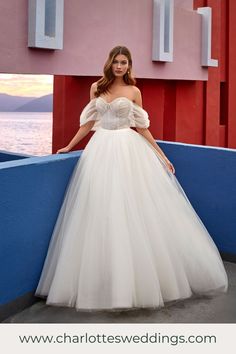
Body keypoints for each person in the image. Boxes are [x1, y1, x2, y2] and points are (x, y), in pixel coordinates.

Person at [35, 46, 228, 311]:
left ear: (129, 65)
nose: (119, 66)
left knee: (132, 210)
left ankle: (133, 284)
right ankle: (103, 280)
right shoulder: (96, 88)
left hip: (129, 149)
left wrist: (161, 156)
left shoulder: (134, 92)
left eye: (124, 62)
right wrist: (69, 146)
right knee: (99, 210)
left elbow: (143, 128)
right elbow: (89, 123)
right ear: (110, 63)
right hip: (100, 150)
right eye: (116, 61)